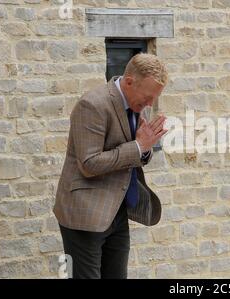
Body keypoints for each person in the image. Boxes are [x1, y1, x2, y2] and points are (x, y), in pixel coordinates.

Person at [53, 53, 168, 279]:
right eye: (148, 97)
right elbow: (89, 163)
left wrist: (144, 150)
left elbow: (136, 155)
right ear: (128, 82)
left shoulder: (138, 104)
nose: (150, 104)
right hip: (84, 215)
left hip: (117, 212)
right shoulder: (92, 105)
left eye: (154, 98)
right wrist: (137, 146)